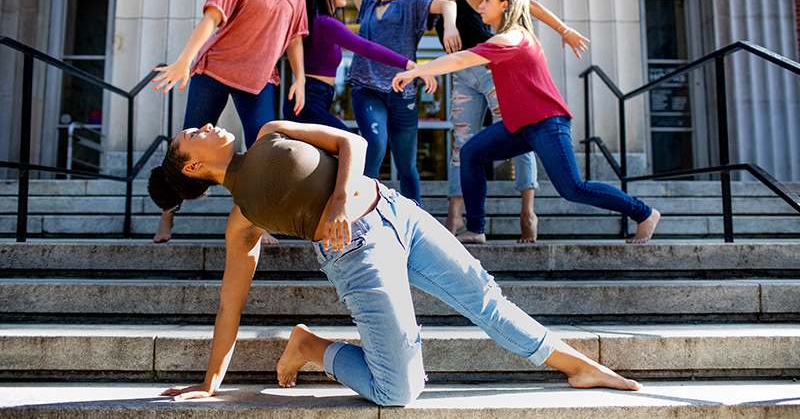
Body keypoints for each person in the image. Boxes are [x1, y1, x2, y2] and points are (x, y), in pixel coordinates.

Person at [149, 120, 642, 406]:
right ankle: (311, 346)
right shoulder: (243, 221)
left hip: (394, 210)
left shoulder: (271, 132)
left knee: (486, 298)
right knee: (398, 391)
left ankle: (579, 366)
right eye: (194, 133)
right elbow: (229, 307)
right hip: (356, 256)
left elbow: (352, 144)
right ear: (192, 166)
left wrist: (341, 200)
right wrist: (211, 381)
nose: (208, 125)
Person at [393, 0, 660, 245]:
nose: (480, 6)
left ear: (505, 4)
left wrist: (416, 71)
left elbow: (461, 58)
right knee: (472, 152)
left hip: (546, 122)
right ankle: (475, 228)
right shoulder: (510, 36)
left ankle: (644, 213)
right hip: (519, 125)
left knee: (572, 188)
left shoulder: (513, 36)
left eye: (487, 1)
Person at [394, 0, 592, 244]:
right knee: (463, 144)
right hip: (461, 76)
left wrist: (563, 29)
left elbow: (522, 0)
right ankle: (460, 215)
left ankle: (527, 207)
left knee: (521, 136)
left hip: (490, 73)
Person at [150, 0, 308, 244]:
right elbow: (212, 18)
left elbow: (295, 37)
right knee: (185, 145)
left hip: (260, 79)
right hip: (216, 69)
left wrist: (300, 77)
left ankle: (259, 221)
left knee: (265, 150)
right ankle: (167, 214)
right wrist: (184, 62)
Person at [346, 0, 459, 204]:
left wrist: (450, 27)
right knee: (375, 144)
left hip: (402, 94)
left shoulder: (413, 4)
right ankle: (362, 214)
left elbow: (447, 4)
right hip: (367, 89)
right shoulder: (368, 7)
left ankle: (415, 220)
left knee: (407, 165)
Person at [283, 0, 420, 133]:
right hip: (308, 101)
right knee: (352, 143)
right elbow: (368, 48)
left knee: (329, 155)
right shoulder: (325, 23)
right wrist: (410, 65)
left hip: (316, 99)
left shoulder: (316, 22)